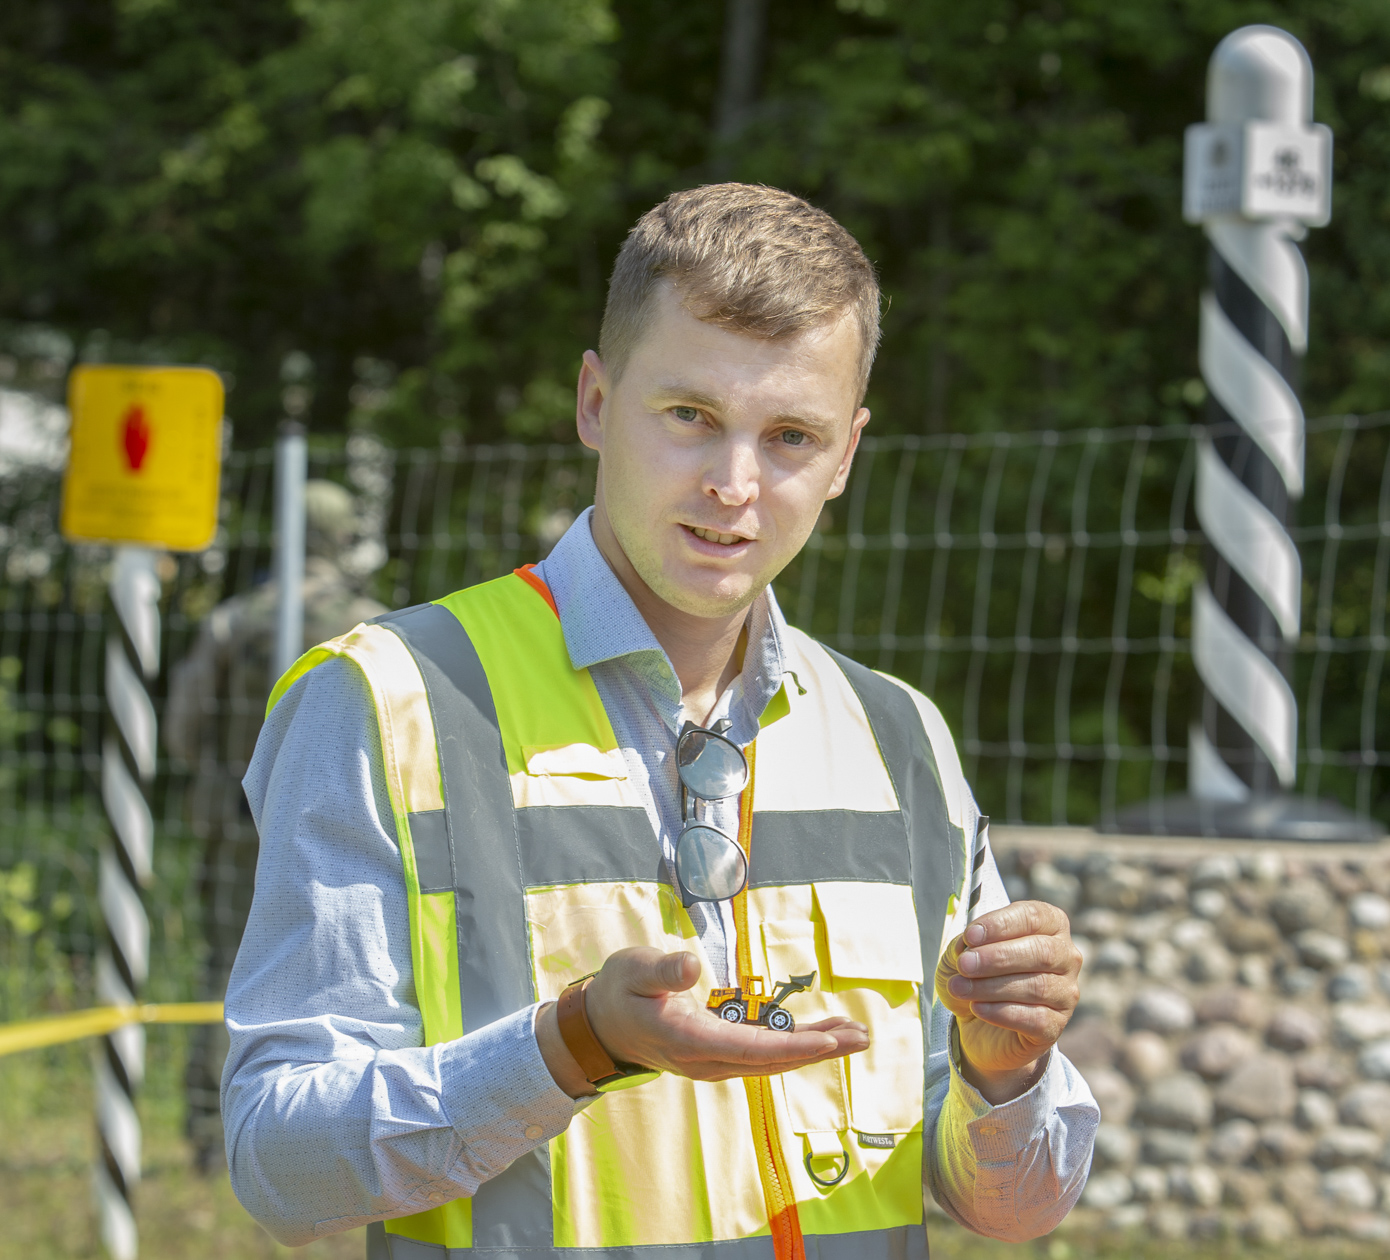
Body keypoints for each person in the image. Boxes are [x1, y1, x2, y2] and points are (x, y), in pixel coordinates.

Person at [223, 184, 1097, 1259]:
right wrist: (571, 1046)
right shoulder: (385, 698)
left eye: (789, 436)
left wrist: (1003, 1070)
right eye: (690, 417)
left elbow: (1015, 1209)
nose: (734, 484)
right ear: (595, 402)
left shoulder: (901, 736)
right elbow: (278, 1169)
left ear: (846, 457)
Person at [165, 480, 386, 1171]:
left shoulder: (234, 620)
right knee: (345, 972)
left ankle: (209, 1134)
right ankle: (323, 1135)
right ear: (343, 534)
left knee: (225, 970)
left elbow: (181, 729)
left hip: (237, 833)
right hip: (341, 832)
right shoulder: (372, 624)